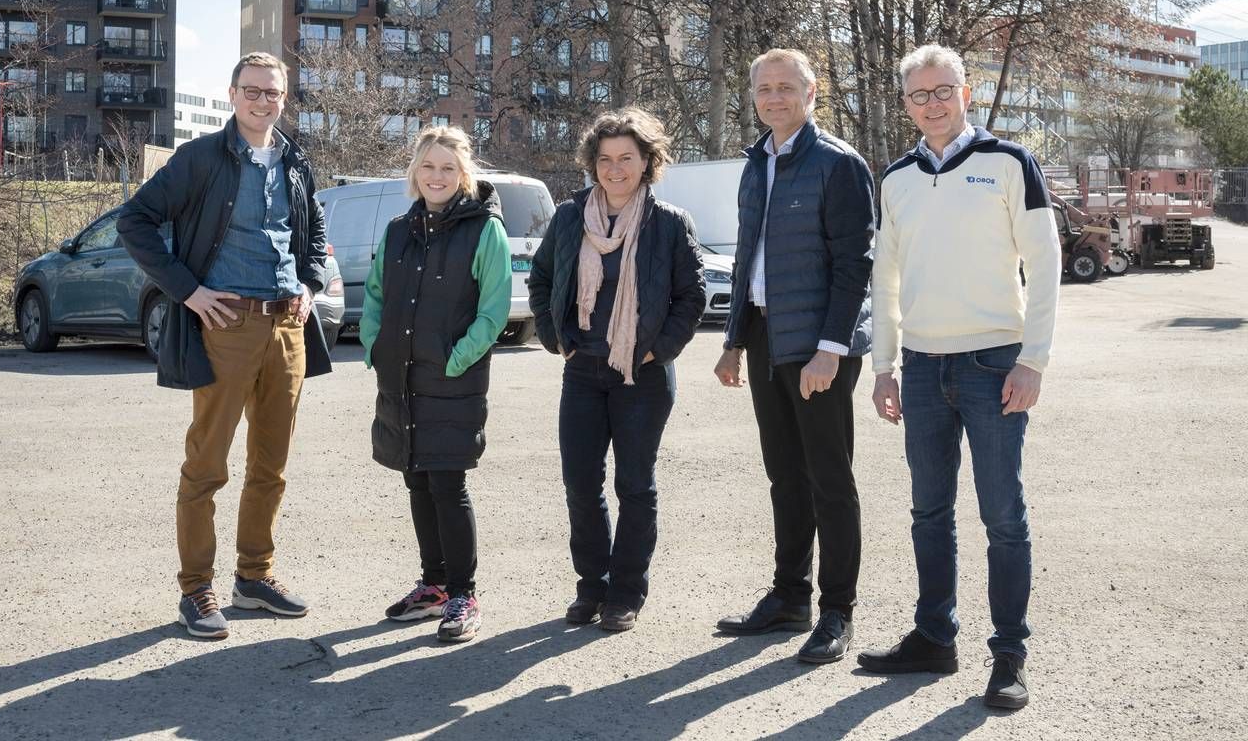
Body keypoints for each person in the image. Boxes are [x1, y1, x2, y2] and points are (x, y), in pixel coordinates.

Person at [858, 44, 1059, 711]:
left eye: (944, 90)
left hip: (994, 363)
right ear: (907, 104)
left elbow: (1046, 262)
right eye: (920, 94)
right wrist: (884, 366)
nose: (934, 103)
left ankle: (1009, 656)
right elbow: (884, 277)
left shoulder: (1008, 164)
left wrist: (1033, 359)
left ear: (965, 94)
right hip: (920, 368)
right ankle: (933, 637)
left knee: (1002, 516)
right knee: (928, 513)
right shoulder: (897, 178)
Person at [118, 51, 333, 640]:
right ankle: (196, 590)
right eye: (254, 91)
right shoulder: (200, 159)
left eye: (274, 93)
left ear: (285, 99)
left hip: (286, 326)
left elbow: (314, 231)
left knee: (272, 464)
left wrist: (310, 285)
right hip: (226, 325)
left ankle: (254, 577)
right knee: (207, 465)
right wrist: (187, 291)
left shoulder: (294, 159)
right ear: (232, 94)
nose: (264, 102)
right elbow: (134, 220)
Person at [712, 48, 876, 665]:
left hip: (818, 347)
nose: (774, 98)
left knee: (829, 479)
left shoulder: (838, 164)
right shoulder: (756, 163)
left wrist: (831, 349)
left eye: (787, 87)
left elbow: (856, 264)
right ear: (752, 95)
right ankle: (789, 597)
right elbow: (748, 255)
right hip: (763, 338)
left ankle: (837, 611)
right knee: (784, 474)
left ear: (812, 94)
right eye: (764, 88)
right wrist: (732, 342)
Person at [528, 107, 706, 633]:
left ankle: (626, 593)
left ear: (648, 161)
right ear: (592, 163)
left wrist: (657, 350)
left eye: (627, 158)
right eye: (605, 159)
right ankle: (592, 587)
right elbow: (541, 281)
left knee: (635, 485)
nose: (615, 169)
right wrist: (555, 337)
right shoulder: (569, 217)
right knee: (581, 484)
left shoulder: (670, 223)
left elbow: (691, 297)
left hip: (642, 376)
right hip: (582, 370)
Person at [360, 125, 512, 644]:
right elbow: (376, 293)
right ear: (415, 172)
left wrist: (456, 360)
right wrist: (375, 343)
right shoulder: (399, 229)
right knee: (416, 479)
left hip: (453, 377)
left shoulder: (485, 230)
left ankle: (464, 593)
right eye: (428, 166)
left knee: (448, 483)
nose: (437, 176)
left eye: (448, 167)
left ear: (464, 174)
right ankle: (434, 585)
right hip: (400, 375)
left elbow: (493, 311)